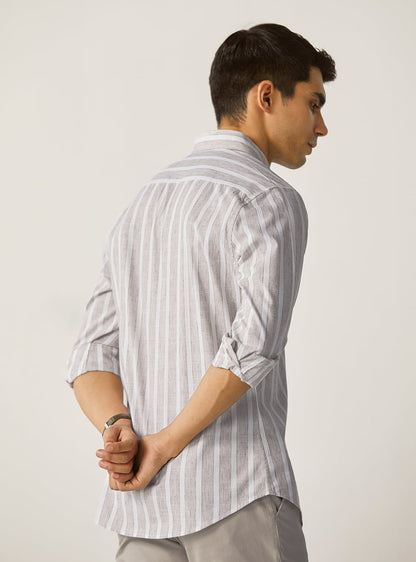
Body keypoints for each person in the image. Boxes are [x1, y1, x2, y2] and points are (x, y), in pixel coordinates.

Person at [67, 22, 336, 562]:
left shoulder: (144, 202)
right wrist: (163, 445)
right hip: (235, 493)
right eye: (313, 103)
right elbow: (253, 346)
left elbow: (91, 352)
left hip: (143, 506)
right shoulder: (268, 198)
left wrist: (119, 429)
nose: (321, 127)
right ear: (266, 96)